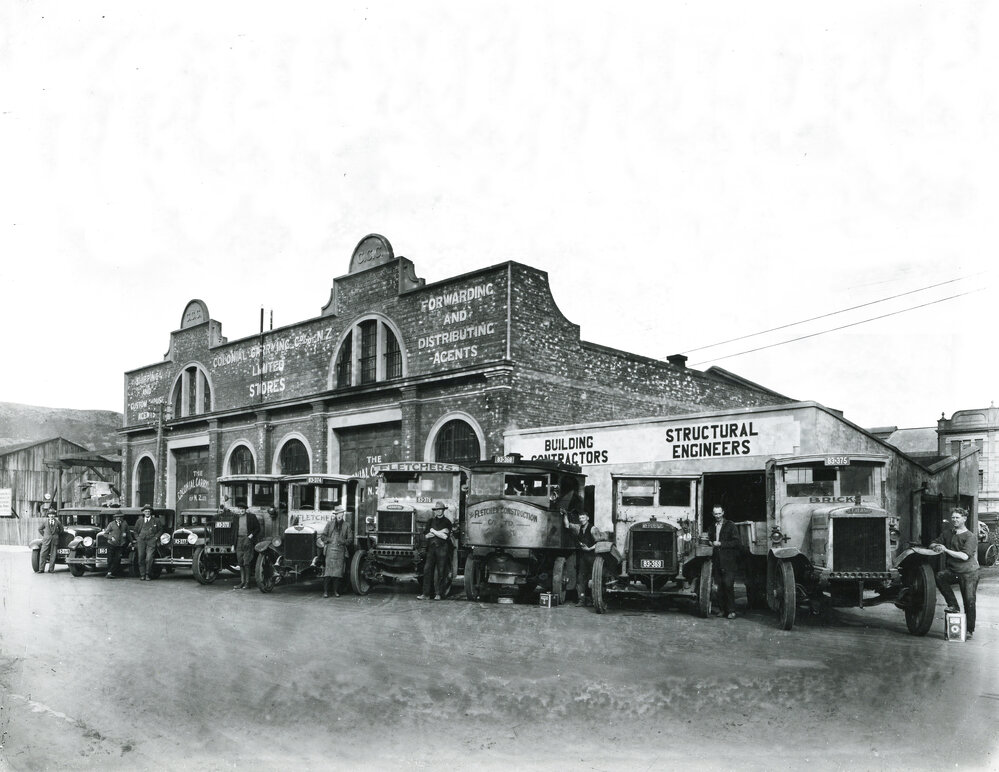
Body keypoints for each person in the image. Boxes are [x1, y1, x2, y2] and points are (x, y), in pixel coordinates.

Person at [931, 507, 980, 639]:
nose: (954, 520)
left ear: (964, 519)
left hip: (969, 573)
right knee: (940, 576)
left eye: (957, 517)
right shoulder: (947, 533)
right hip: (954, 571)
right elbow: (934, 542)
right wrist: (935, 546)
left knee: (969, 600)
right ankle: (953, 605)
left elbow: (964, 556)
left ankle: (969, 630)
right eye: (953, 517)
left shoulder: (970, 536)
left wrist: (945, 550)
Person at [710, 505, 740, 619]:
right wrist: (710, 542)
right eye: (715, 514)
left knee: (728, 585)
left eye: (719, 513)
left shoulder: (730, 525)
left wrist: (721, 544)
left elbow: (736, 542)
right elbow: (710, 538)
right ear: (713, 514)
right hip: (717, 560)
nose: (717, 516)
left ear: (723, 513)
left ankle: (731, 611)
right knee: (719, 586)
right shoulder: (712, 526)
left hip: (729, 560)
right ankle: (722, 610)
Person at [418, 501, 452, 600]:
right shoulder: (430, 521)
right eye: (436, 509)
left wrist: (433, 531)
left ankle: (439, 594)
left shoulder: (447, 522)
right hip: (431, 549)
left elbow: (445, 537)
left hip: (442, 549)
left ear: (443, 510)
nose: (438, 511)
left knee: (441, 571)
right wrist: (439, 532)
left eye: (440, 509)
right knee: (427, 570)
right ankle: (426, 594)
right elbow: (427, 535)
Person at [563, 510, 597, 606]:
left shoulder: (593, 529)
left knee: (592, 580)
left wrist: (589, 548)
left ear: (587, 518)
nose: (581, 520)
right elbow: (567, 525)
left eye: (583, 518)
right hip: (583, 557)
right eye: (580, 518)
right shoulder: (578, 528)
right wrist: (565, 514)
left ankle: (592, 600)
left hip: (592, 556)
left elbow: (599, 543)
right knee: (581, 579)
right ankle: (581, 600)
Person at [320, 507, 352, 598]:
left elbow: (350, 539)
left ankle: (336, 591)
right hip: (330, 550)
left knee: (338, 573)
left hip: (341, 551)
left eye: (341, 514)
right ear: (335, 515)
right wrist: (330, 540)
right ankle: (325, 592)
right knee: (328, 573)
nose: (340, 516)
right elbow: (323, 536)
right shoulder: (329, 524)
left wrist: (342, 541)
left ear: (343, 515)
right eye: (338, 514)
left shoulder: (347, 525)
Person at [233, 506, 261, 590]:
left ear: (245, 510)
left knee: (246, 562)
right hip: (238, 540)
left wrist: (250, 537)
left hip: (247, 539)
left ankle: (247, 583)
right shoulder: (236, 518)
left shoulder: (251, 517)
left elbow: (257, 528)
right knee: (240, 562)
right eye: (240, 509)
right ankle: (242, 582)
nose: (241, 510)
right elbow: (233, 531)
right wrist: (232, 544)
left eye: (242, 509)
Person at [134, 504, 163, 581]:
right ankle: (142, 575)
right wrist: (138, 538)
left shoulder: (156, 520)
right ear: (143, 512)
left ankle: (147, 574)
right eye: (146, 511)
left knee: (149, 558)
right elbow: (135, 531)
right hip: (141, 541)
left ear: (151, 512)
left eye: (149, 511)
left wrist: (156, 537)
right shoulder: (139, 521)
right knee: (140, 558)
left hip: (151, 541)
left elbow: (160, 530)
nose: (147, 513)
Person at [101, 509, 131, 577]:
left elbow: (128, 533)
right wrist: (111, 537)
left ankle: (111, 572)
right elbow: (105, 534)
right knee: (110, 559)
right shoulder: (111, 524)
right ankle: (109, 572)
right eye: (117, 517)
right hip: (111, 544)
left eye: (120, 517)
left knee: (117, 559)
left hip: (120, 545)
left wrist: (132, 541)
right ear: (115, 517)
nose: (119, 518)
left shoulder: (125, 524)